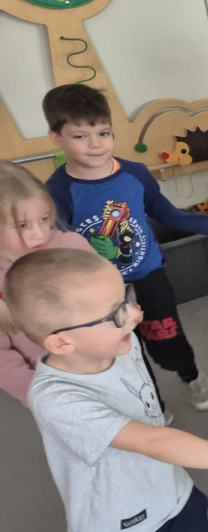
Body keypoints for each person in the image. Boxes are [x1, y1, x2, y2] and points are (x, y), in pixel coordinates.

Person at [4, 248, 208, 532]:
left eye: (127, 297)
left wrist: (118, 325)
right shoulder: (54, 398)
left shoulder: (124, 342)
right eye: (116, 314)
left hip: (175, 504)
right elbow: (153, 441)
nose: (136, 314)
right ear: (61, 343)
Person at [43, 84, 208, 411]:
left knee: (168, 341)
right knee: (123, 351)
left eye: (104, 133)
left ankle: (191, 375)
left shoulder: (135, 173)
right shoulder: (57, 190)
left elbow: (167, 214)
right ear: (57, 138)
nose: (96, 144)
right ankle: (153, 403)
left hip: (148, 276)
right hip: (98, 290)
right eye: (80, 136)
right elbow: (59, 248)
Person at [0, 160, 95, 407]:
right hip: (56, 390)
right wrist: (42, 396)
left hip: (111, 365)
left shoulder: (72, 246)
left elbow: (111, 291)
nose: (39, 234)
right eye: (23, 226)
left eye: (44, 219)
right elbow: (3, 361)